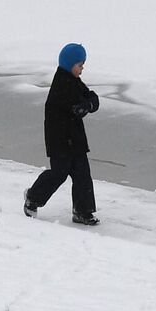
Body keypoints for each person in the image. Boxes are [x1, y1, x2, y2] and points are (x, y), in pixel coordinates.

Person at [24, 42, 101, 225]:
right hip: (59, 140)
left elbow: (91, 97)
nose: (82, 69)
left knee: (82, 174)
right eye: (79, 65)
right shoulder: (61, 85)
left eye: (83, 65)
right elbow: (72, 107)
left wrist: (88, 104)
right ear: (69, 64)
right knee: (59, 173)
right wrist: (81, 107)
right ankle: (33, 197)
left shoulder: (74, 82)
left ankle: (82, 211)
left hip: (75, 139)